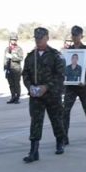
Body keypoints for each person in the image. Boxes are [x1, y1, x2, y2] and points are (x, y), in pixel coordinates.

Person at [22, 27, 67, 162]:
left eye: (40, 38)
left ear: (47, 38)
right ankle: (34, 151)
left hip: (52, 95)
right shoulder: (31, 56)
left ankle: (60, 142)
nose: (38, 41)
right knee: (35, 122)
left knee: (56, 119)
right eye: (36, 38)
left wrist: (46, 87)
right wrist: (29, 86)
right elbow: (25, 74)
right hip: (36, 96)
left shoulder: (55, 55)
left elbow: (60, 76)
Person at [63, 26, 86, 142]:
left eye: (77, 35)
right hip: (70, 87)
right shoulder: (69, 50)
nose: (75, 37)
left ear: (81, 36)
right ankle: (64, 136)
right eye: (73, 35)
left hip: (83, 86)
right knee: (65, 110)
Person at [4, 33, 24, 104]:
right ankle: (13, 96)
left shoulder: (19, 49)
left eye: (15, 40)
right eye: (12, 40)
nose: (13, 41)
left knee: (16, 84)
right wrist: (5, 68)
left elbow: (20, 58)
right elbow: (5, 59)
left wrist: (12, 57)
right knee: (11, 84)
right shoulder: (7, 49)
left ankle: (17, 97)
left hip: (16, 69)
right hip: (9, 68)